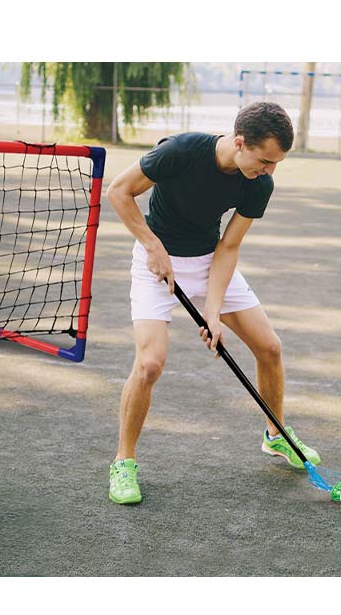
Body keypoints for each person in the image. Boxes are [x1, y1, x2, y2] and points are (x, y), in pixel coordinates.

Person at [105, 101, 321, 505]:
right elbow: (119, 191)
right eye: (264, 160)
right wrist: (152, 245)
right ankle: (123, 461)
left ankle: (276, 435)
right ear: (239, 143)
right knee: (150, 364)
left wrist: (212, 312)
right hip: (156, 261)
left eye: (276, 163)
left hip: (209, 261)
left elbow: (228, 247)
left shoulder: (259, 183)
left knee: (269, 347)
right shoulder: (180, 151)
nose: (269, 171)